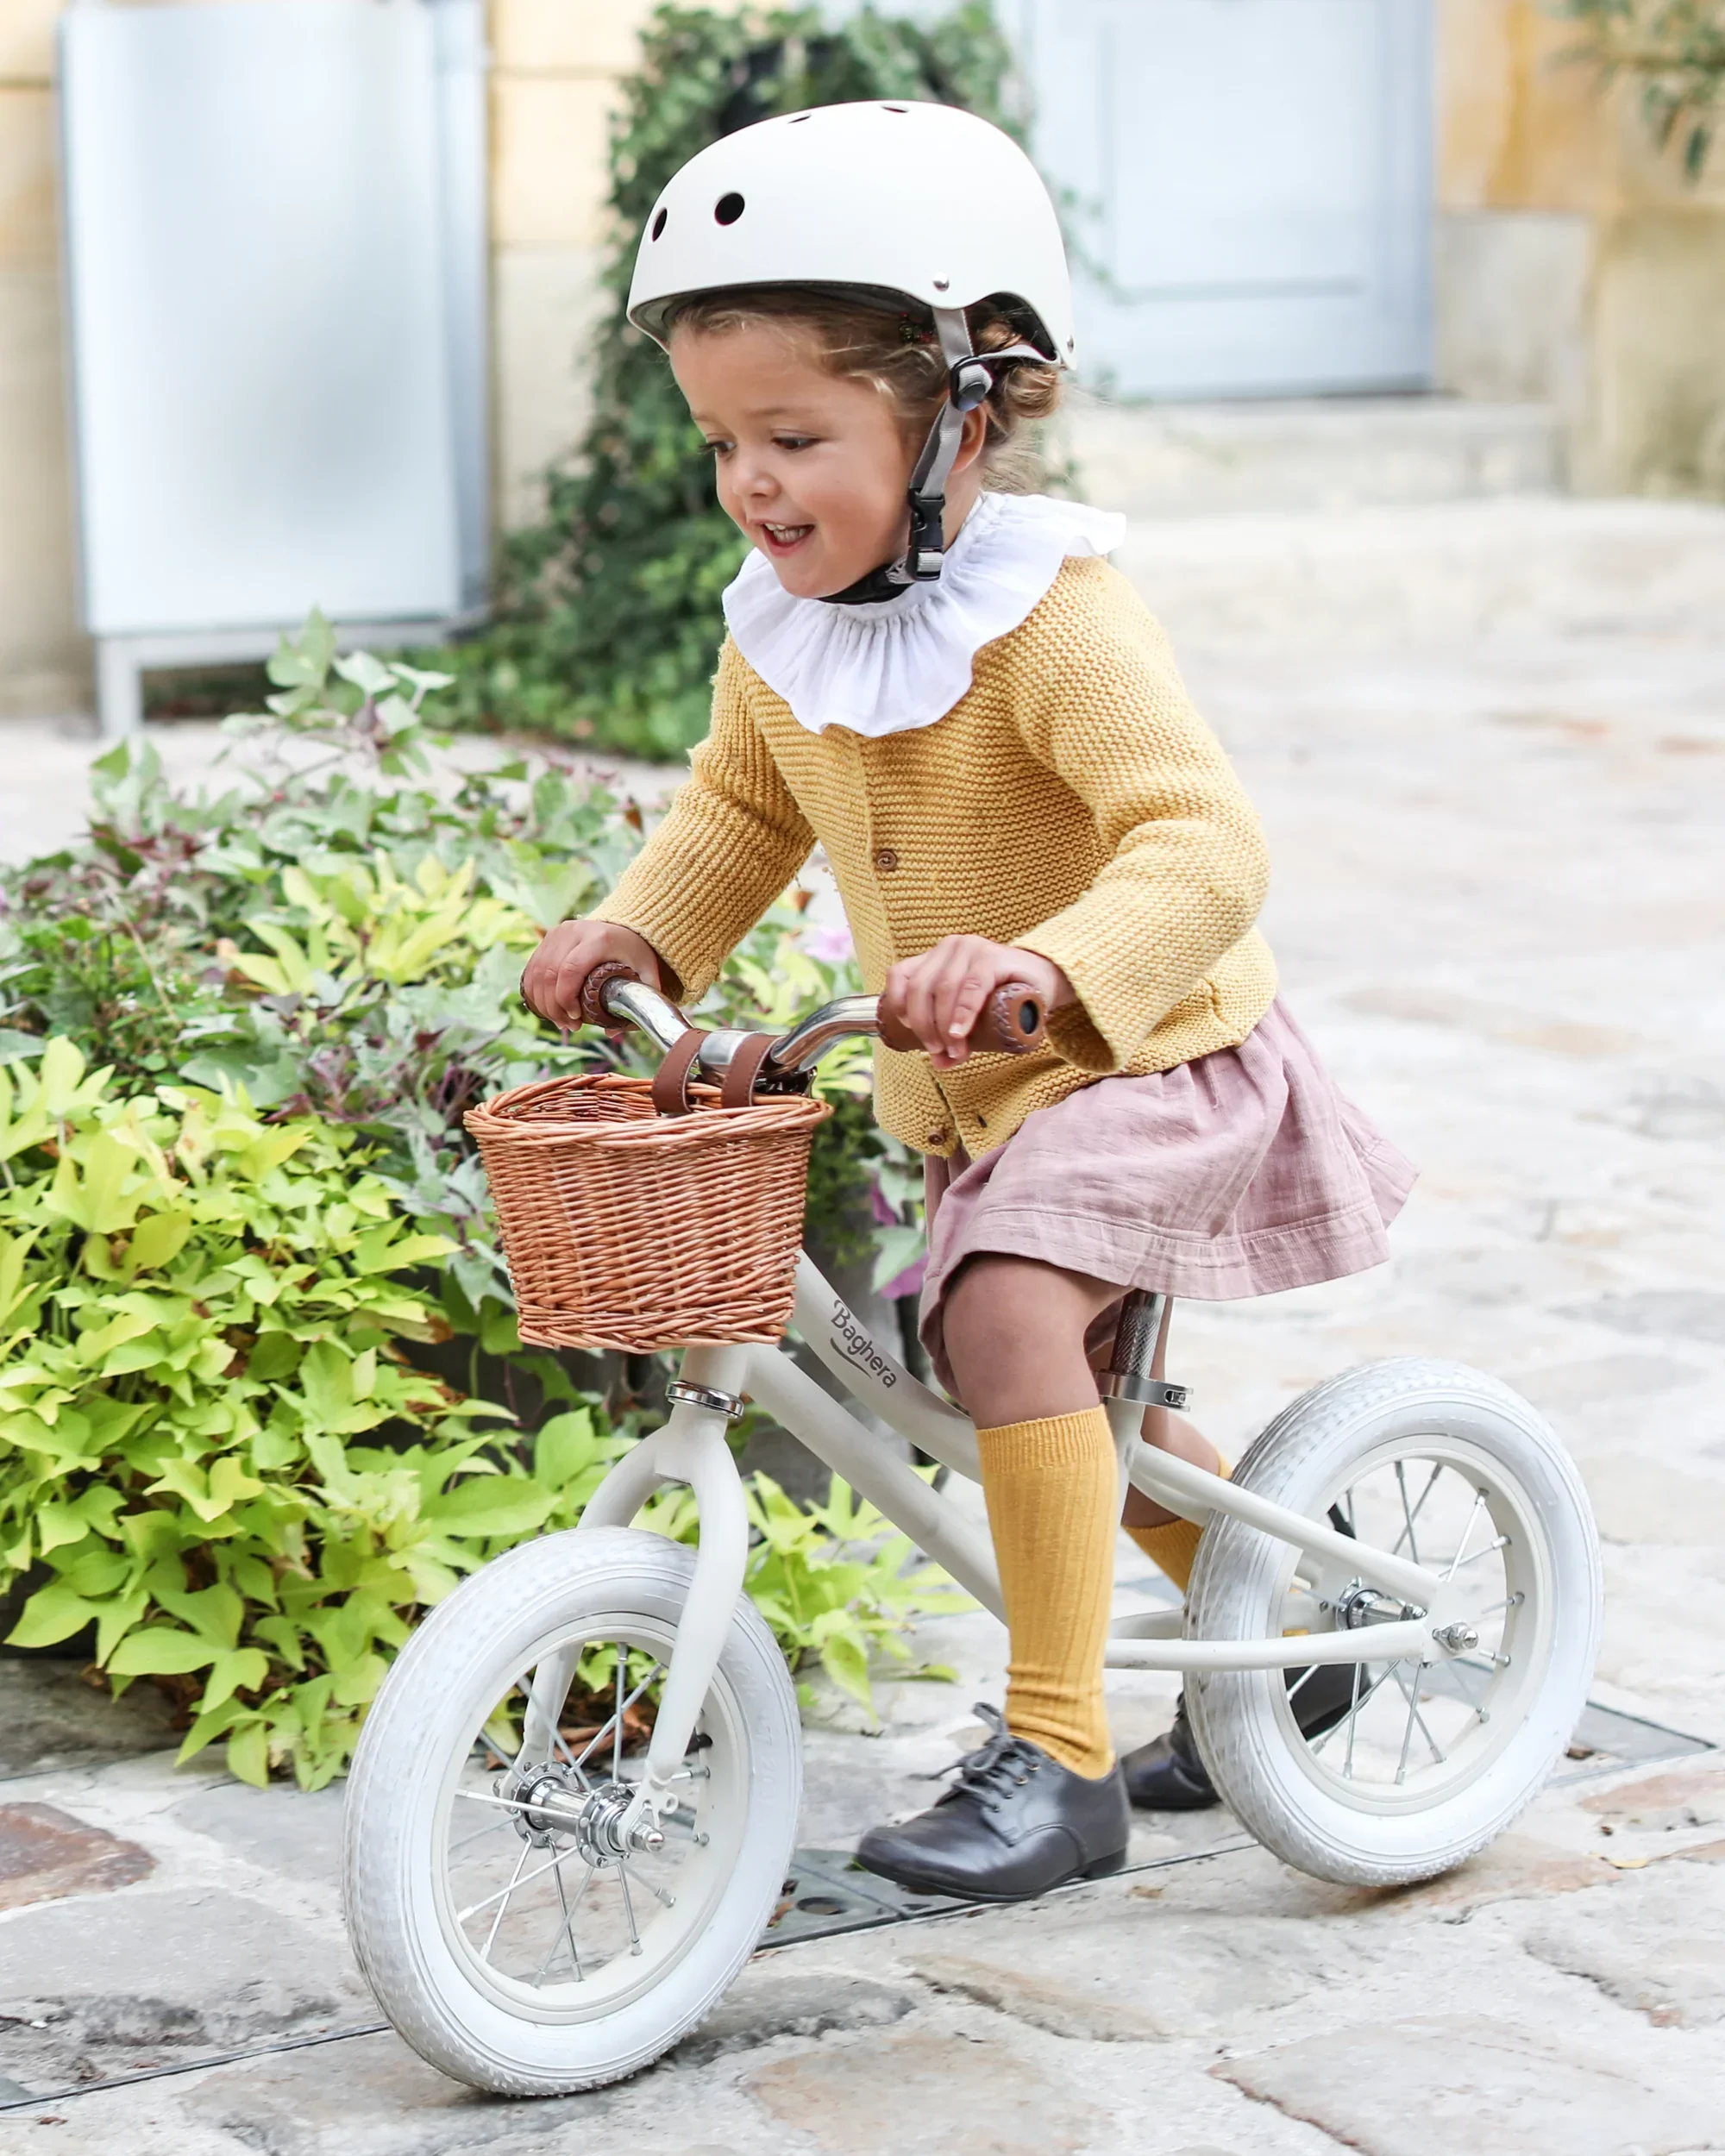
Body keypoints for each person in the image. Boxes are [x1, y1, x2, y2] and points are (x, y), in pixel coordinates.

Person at [521, 100, 1414, 1901]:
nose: (753, 484)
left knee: (1001, 1318)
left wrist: (1048, 961)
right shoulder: (781, 624)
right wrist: (639, 937)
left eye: (795, 434)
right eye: (720, 443)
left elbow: (1203, 840)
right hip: (980, 1095)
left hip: (1147, 1048)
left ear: (963, 418)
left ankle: (1058, 1752)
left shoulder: (1052, 616)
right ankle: (1301, 1614)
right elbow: (741, 807)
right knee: (1052, 1384)